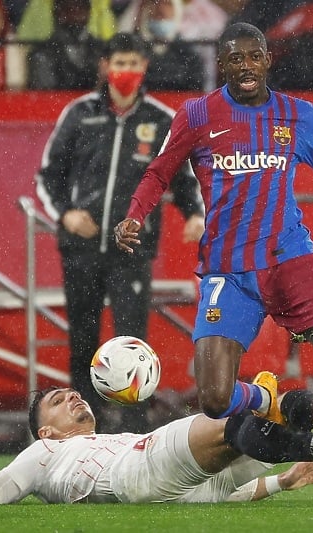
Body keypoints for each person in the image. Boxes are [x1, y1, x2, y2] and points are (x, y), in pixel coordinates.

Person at [114, 22, 313, 505]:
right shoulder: (198, 115)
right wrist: (134, 215)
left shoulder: (298, 115)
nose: (245, 66)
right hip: (228, 271)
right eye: (234, 59)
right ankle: (276, 402)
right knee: (214, 399)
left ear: (267, 59)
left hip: (290, 259)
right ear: (221, 65)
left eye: (253, 56)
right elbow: (159, 172)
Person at [35, 32, 205, 434]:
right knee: (83, 340)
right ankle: (81, 431)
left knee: (132, 344)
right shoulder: (78, 113)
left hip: (132, 247)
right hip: (81, 247)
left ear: (145, 66)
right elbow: (47, 175)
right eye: (119, 63)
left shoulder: (162, 120)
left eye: (133, 63)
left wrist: (195, 215)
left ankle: (133, 432)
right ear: (104, 66)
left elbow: (183, 179)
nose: (126, 71)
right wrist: (66, 215)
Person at [0, 380, 313, 504]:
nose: (74, 396)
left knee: (242, 439)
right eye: (59, 402)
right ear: (47, 431)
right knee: (233, 420)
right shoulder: (45, 452)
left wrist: (283, 482)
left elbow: (224, 494)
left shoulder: (109, 438)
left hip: (172, 492)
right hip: (130, 471)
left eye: (73, 393)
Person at [119, 0, 206, 91]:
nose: (160, 8)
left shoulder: (188, 52)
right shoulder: (132, 47)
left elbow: (195, 90)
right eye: (155, 2)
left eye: (167, 3)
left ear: (177, 10)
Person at [27, 0, 103, 91]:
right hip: (56, 103)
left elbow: (106, 92)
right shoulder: (41, 53)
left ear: (88, 11)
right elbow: (45, 96)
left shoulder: (102, 49)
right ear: (57, 12)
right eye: (68, 8)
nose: (75, 12)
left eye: (80, 7)